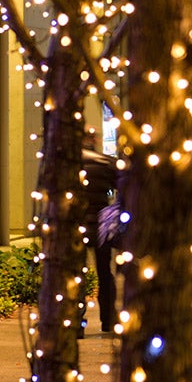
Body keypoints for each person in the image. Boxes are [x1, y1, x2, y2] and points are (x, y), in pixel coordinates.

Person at [77, 132, 120, 337]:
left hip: (76, 227)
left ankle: (77, 323)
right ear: (95, 141)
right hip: (102, 226)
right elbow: (122, 189)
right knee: (105, 273)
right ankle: (108, 320)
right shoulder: (106, 163)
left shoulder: (70, 165)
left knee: (77, 275)